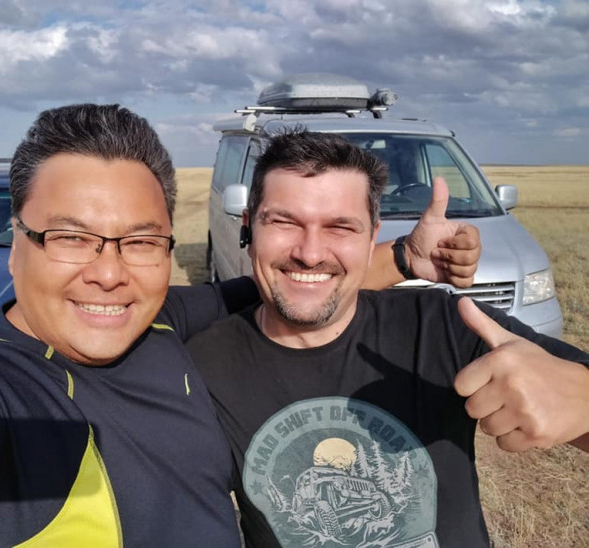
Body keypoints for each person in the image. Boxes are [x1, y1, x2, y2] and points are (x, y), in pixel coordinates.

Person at [0, 105, 479, 548]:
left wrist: (402, 258)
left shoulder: (160, 322)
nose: (109, 274)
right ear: (17, 245)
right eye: (71, 237)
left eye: (141, 241)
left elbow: (293, 279)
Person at [186, 131, 589, 548]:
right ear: (249, 228)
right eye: (284, 222)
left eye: (341, 227)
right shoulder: (201, 369)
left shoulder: (441, 327)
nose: (310, 253)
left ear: (371, 239)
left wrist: (581, 399)